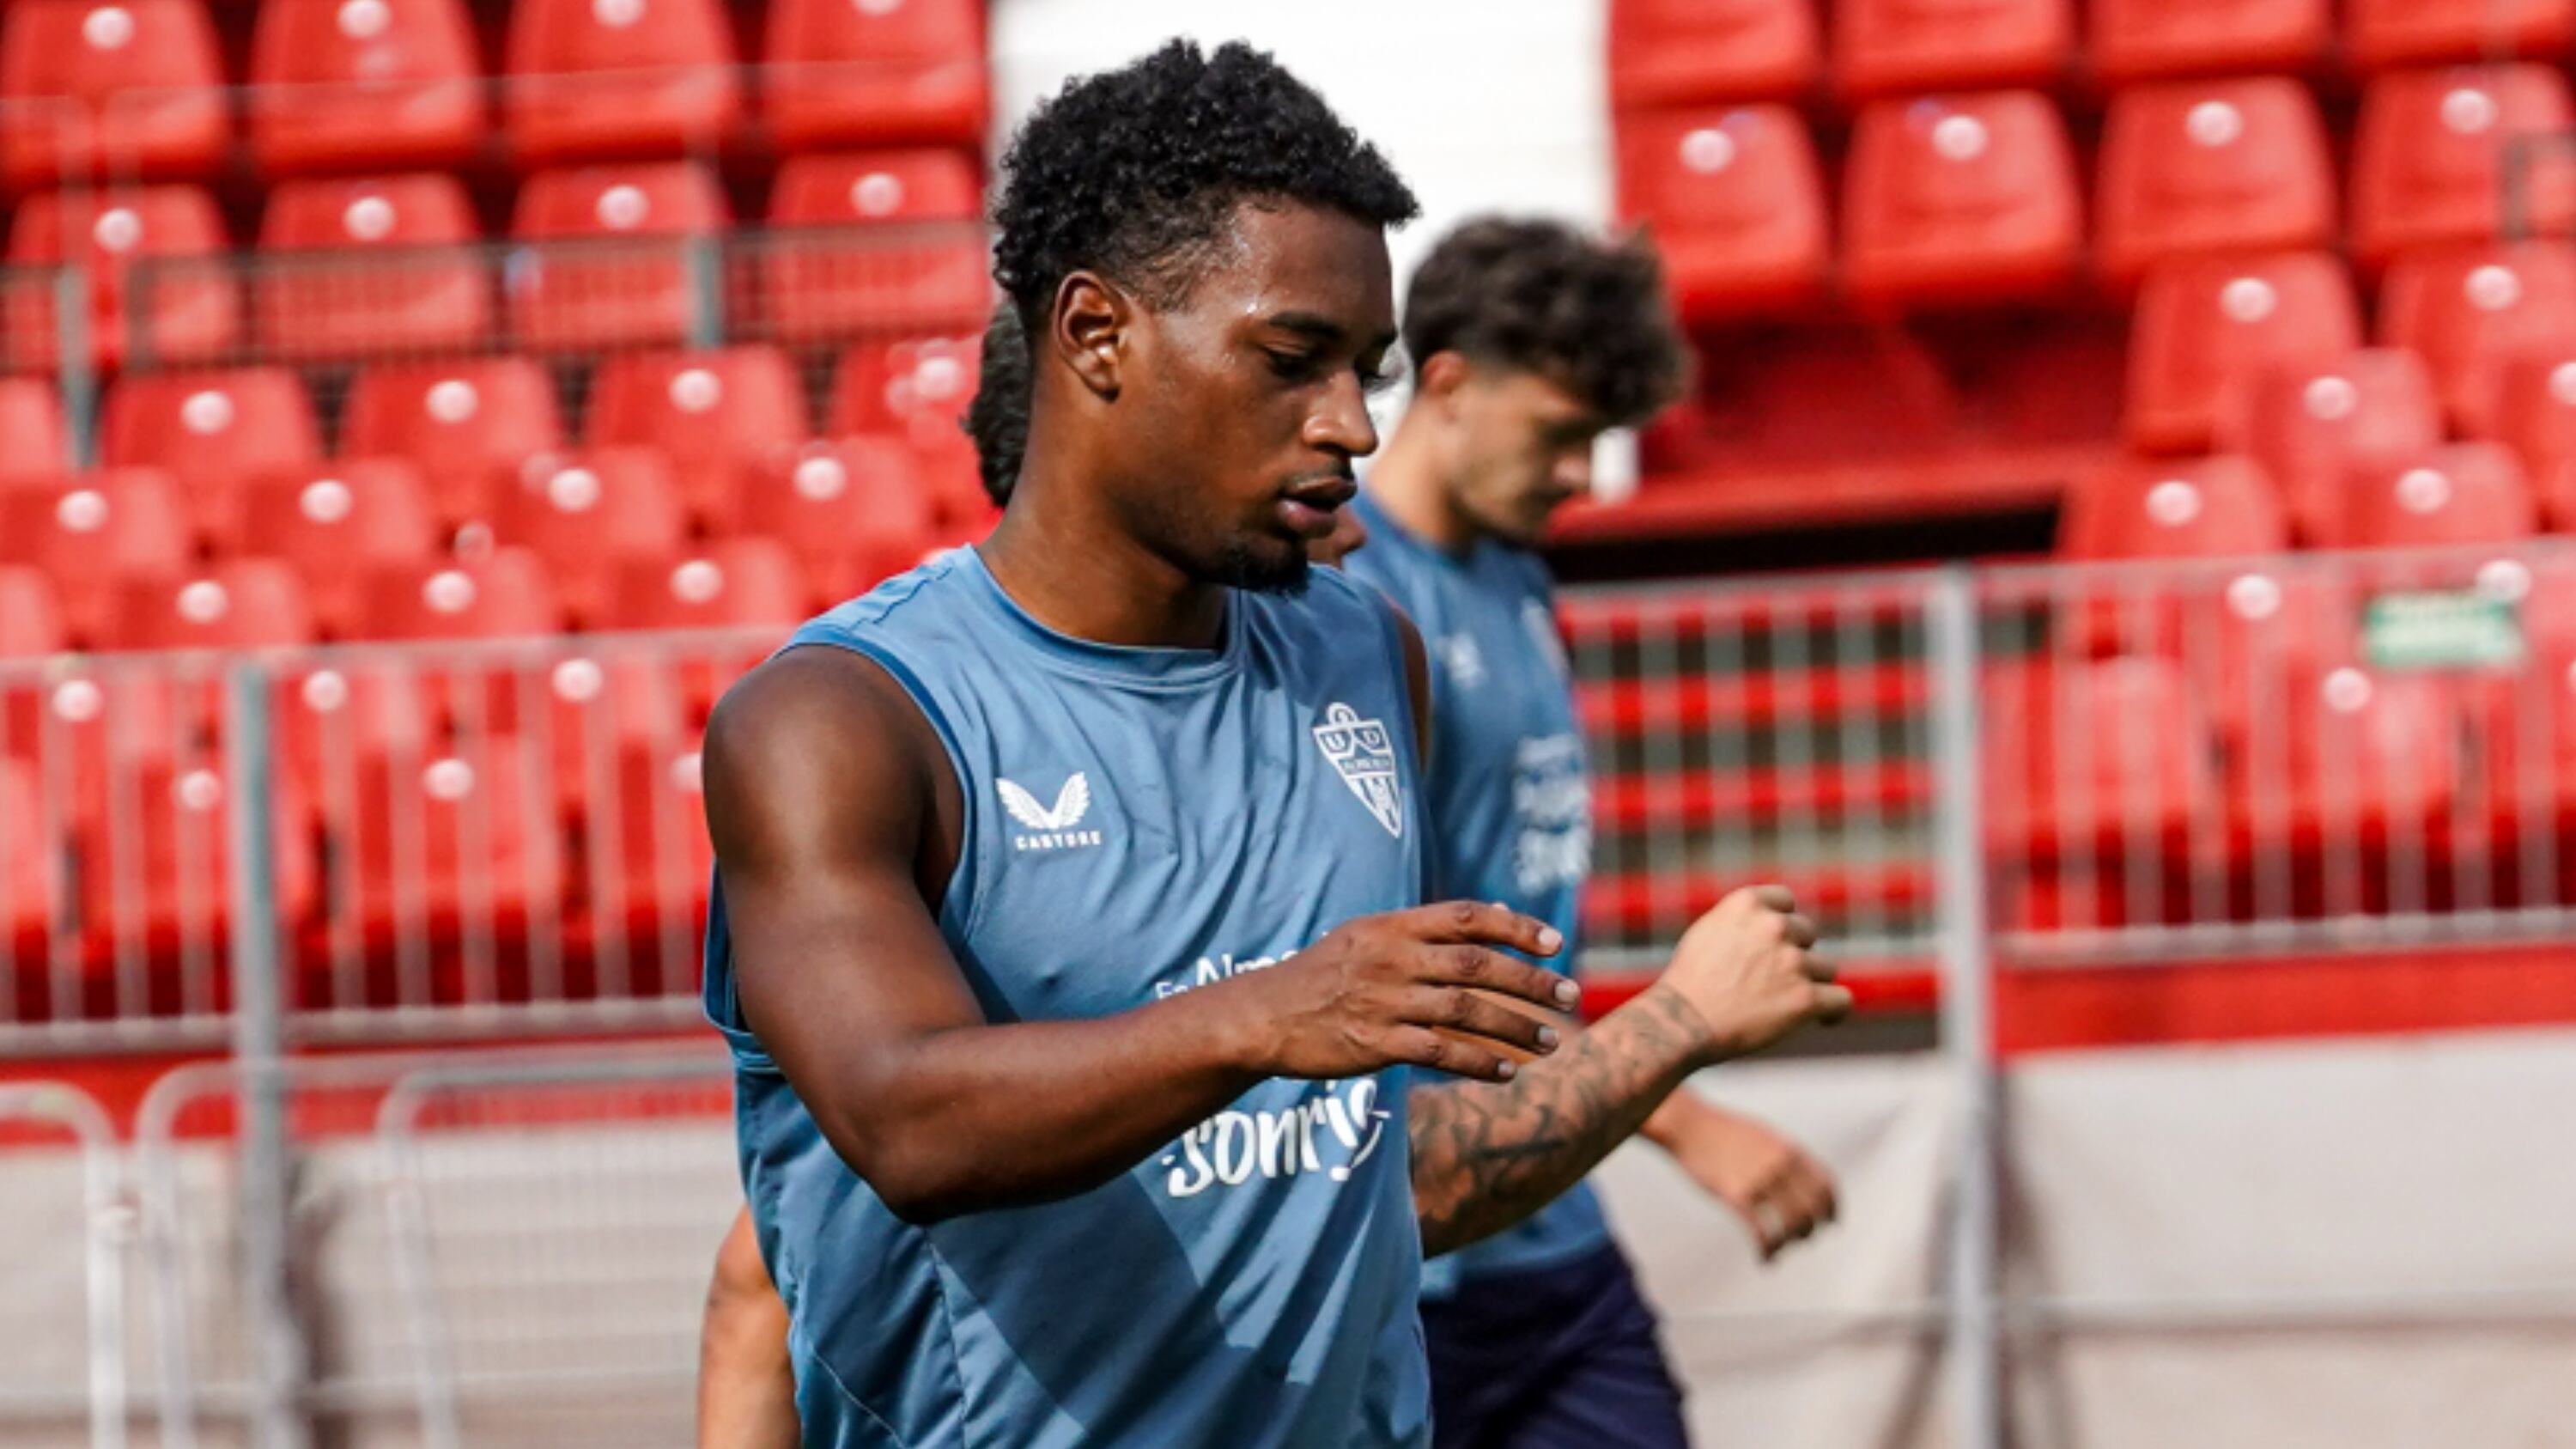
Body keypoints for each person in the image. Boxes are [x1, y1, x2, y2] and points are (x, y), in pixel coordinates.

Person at [697, 40, 1847, 1449]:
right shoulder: (839, 720)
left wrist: (1663, 1044)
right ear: (1096, 333)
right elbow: (906, 1125)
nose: (1354, 426)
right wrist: (1273, 1013)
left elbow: (1387, 1179)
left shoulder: (1370, 660)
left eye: (1369, 371)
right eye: (1294, 361)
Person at [1340, 216, 1840, 1449]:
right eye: (1561, 435)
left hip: (1546, 1229)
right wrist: (1684, 1103)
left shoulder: (1515, 575)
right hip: (1403, 1244)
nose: (1581, 476)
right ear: (1446, 382)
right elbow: (1417, 957)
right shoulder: (1344, 599)